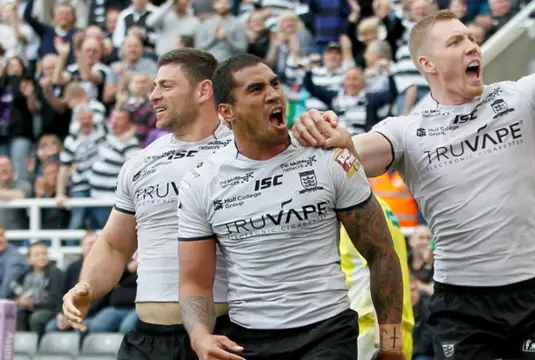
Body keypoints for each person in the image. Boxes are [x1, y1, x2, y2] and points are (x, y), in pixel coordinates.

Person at [292, 5, 535, 359]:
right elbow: (349, 153)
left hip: (532, 296)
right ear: (427, 64)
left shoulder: (524, 98)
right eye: (455, 41)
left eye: (471, 38)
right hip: (460, 305)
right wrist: (322, 133)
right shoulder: (407, 131)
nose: (472, 46)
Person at [176, 53, 405, 360]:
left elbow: (381, 252)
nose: (272, 95)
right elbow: (195, 282)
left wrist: (391, 344)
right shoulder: (201, 182)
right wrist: (200, 335)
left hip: (328, 332)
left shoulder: (329, 157)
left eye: (274, 84)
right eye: (256, 89)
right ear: (227, 111)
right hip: (249, 339)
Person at [61, 48, 234, 360]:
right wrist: (86, 286)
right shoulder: (141, 161)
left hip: (222, 333)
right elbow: (115, 245)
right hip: (146, 339)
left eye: (166, 86)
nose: (153, 96)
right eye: (154, 86)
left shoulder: (243, 152)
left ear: (203, 90)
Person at [339, 196, 415, 360]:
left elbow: (381, 276)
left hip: (371, 333)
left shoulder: (356, 212)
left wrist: (385, 344)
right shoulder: (383, 207)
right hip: (399, 329)